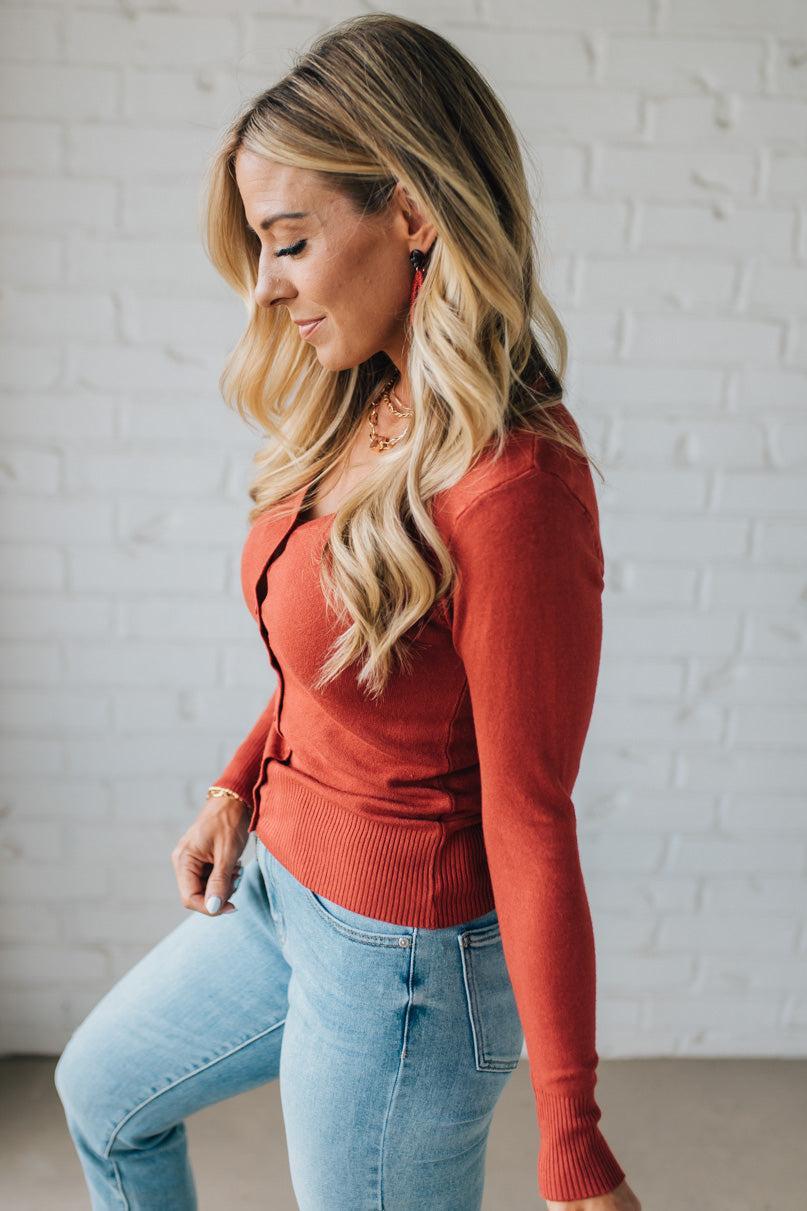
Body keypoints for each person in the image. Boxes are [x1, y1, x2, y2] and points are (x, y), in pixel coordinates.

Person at [54, 13, 641, 1211]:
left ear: (414, 214)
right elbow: (319, 662)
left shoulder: (512, 484)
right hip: (280, 886)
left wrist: (571, 1128)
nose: (265, 287)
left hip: (406, 966)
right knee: (103, 1097)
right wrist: (237, 779)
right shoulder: (356, 402)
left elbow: (531, 810)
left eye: (290, 241)